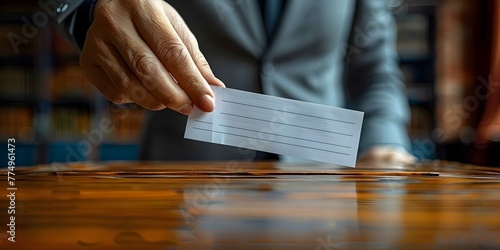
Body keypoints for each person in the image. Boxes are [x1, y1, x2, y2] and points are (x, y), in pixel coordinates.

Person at [57, 0, 415, 164]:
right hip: (182, 185)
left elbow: (375, 68)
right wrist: (91, 9)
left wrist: (384, 142)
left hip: (319, 190)